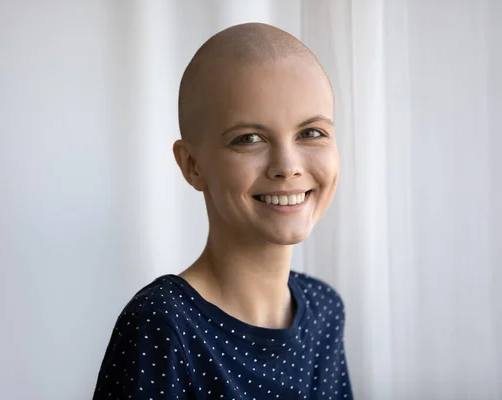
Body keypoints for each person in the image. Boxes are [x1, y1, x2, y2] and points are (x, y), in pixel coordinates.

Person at [93, 22, 352, 399]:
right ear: (192, 165)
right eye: (249, 139)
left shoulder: (325, 310)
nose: (287, 165)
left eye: (311, 132)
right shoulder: (163, 325)